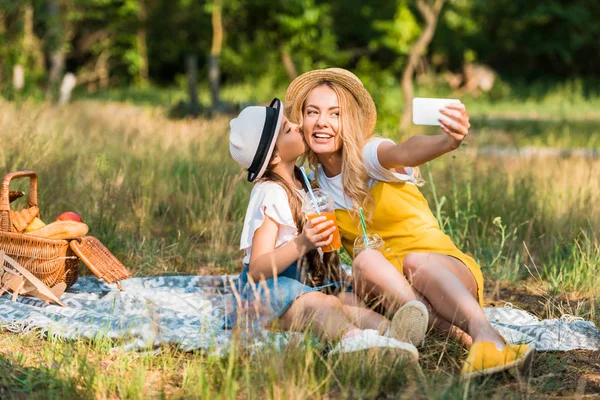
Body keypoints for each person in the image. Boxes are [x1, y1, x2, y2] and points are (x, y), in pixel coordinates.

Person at [284, 68, 534, 379]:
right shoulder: (314, 190)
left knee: (414, 261)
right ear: (301, 121)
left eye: (335, 113)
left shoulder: (369, 155)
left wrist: (447, 141)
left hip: (444, 274)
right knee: (359, 272)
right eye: (312, 112)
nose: (322, 122)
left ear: (348, 122)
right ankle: (454, 337)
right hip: (390, 292)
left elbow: (405, 150)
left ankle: (483, 333)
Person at [224, 98, 429, 360]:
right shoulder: (269, 193)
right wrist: (303, 242)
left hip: (304, 284)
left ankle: (395, 337)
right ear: (274, 155)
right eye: (288, 129)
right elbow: (257, 269)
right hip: (267, 294)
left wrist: (337, 274)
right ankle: (353, 343)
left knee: (350, 302)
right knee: (325, 305)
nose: (298, 126)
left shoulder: (304, 183)